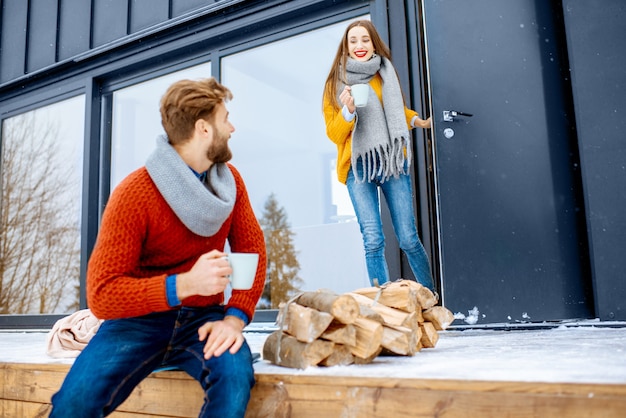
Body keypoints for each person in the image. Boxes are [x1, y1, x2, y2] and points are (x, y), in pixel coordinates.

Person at [50, 78, 267, 418]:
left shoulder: (231, 183)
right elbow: (102, 294)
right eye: (226, 118)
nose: (232, 127)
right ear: (203, 129)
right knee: (72, 404)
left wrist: (235, 319)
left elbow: (250, 251)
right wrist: (183, 285)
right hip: (136, 323)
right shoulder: (135, 193)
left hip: (204, 320)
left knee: (235, 378)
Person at [322, 20, 436, 293]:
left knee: (408, 238)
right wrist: (348, 111)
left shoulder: (384, 73)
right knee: (372, 239)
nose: (359, 46)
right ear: (345, 47)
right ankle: (383, 307)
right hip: (358, 167)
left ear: (373, 43)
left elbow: (394, 113)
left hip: (391, 162)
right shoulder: (334, 85)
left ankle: (432, 297)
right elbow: (335, 134)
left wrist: (417, 121)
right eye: (353, 41)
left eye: (365, 40)